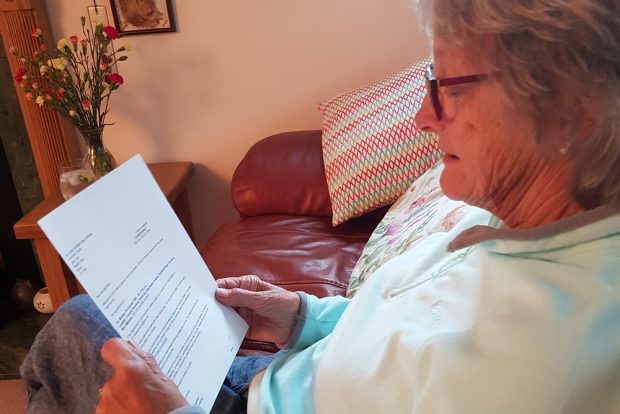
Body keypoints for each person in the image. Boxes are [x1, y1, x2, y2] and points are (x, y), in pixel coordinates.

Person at [21, 0, 620, 412]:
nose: (423, 117)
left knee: (72, 335)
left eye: (447, 88)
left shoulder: (554, 365)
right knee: (82, 328)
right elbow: (408, 334)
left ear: (567, 112)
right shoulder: (514, 214)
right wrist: (302, 316)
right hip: (280, 382)